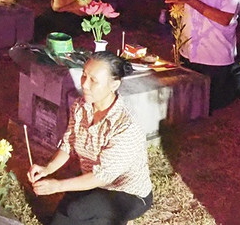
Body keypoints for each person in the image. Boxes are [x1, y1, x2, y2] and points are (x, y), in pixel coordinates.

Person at [28, 51, 153, 225]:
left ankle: (120, 220)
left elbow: (102, 176)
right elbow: (68, 142)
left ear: (114, 85)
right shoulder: (81, 107)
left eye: (93, 80)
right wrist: (47, 169)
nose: (85, 85)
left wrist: (58, 186)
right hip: (94, 183)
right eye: (84, 76)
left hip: (126, 191)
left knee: (77, 210)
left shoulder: (125, 126)